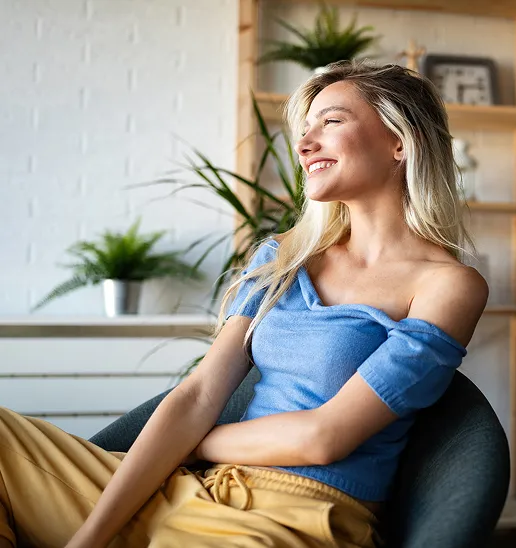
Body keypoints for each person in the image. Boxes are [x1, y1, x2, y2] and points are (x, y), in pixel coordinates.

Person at [0, 61, 488, 548]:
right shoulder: (283, 257)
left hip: (290, 516)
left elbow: (323, 438)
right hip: (192, 488)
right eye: (305, 128)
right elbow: (196, 396)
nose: (303, 144)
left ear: (400, 140)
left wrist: (193, 441)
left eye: (332, 121)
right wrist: (88, 537)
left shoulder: (448, 286)